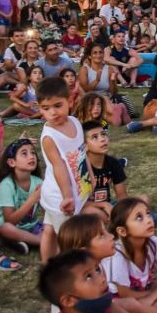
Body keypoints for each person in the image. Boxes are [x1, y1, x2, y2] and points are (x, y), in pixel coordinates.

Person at [39, 76, 94, 260]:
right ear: (40, 109)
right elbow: (59, 167)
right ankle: (62, 268)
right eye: (46, 108)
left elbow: (81, 153)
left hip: (74, 187)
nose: (53, 112)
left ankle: (48, 266)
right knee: (69, 239)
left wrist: (90, 177)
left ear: (70, 101)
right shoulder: (49, 137)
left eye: (57, 105)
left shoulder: (75, 123)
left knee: (49, 229)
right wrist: (67, 196)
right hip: (58, 196)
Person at [0, 137, 45, 254]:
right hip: (9, 229)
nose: (31, 156)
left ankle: (23, 242)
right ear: (12, 162)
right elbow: (10, 220)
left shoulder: (39, 182)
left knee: (54, 223)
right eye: (24, 154)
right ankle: (40, 241)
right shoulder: (6, 185)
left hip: (31, 227)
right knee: (5, 228)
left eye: (33, 152)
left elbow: (48, 211)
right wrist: (32, 200)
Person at [84, 120, 128, 219]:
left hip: (108, 205)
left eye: (103, 134)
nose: (102, 139)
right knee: (94, 213)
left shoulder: (113, 163)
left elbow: (122, 196)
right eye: (95, 137)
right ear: (85, 146)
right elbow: (78, 204)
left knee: (143, 200)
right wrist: (103, 205)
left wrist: (124, 212)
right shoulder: (81, 168)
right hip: (88, 210)